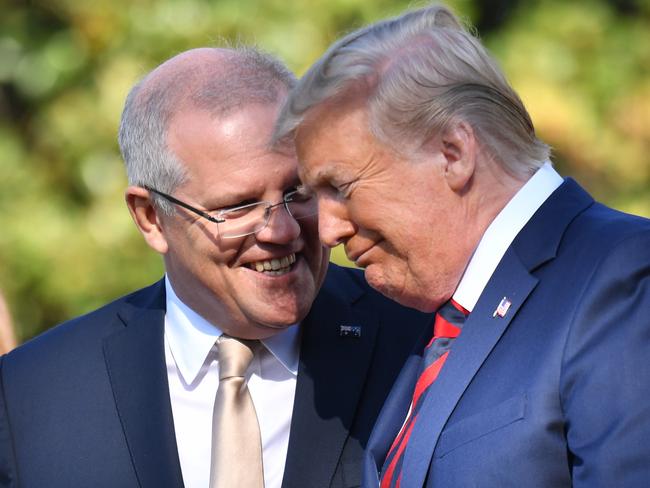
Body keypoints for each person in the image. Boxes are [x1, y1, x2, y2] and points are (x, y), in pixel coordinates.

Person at [0, 46, 431, 488]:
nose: (282, 230)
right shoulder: (31, 394)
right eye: (239, 206)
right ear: (150, 217)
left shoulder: (421, 341)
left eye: (299, 191)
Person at [273, 4, 650, 487]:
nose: (326, 230)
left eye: (341, 188)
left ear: (453, 153)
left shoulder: (623, 279)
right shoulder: (432, 320)